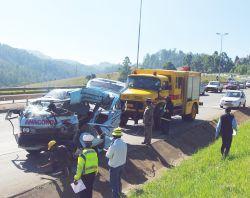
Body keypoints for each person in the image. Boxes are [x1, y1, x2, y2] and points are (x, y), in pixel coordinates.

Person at [106, 127, 127, 198]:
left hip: (114, 166)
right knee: (118, 180)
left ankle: (116, 196)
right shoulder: (124, 143)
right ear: (120, 135)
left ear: (114, 136)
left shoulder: (113, 145)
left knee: (113, 183)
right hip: (122, 164)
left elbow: (108, 155)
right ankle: (120, 192)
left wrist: (109, 148)